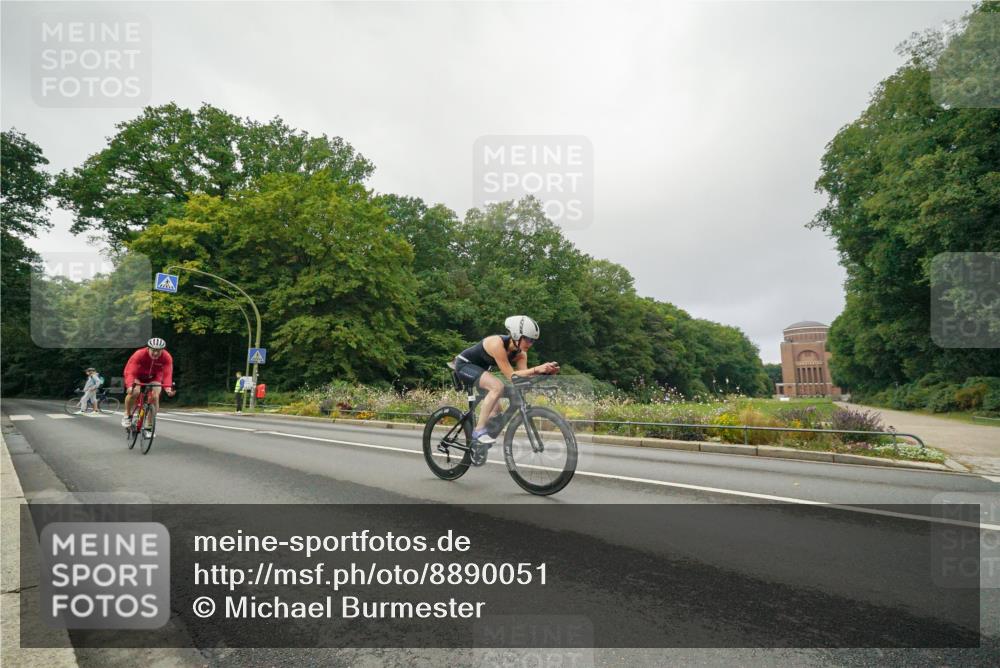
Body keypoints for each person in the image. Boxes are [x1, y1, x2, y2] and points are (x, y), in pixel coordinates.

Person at [454, 315, 559, 445]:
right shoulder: (497, 344)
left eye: (533, 341)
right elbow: (512, 376)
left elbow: (521, 378)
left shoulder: (521, 354)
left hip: (482, 371)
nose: (530, 344)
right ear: (516, 335)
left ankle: (479, 446)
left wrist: (545, 374)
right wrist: (537, 369)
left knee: (497, 411)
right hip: (464, 365)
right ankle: (478, 431)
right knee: (497, 387)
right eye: (528, 339)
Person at [121, 337, 175, 427]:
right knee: (135, 391)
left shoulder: (166, 357)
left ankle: (149, 425)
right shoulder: (139, 354)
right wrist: (130, 386)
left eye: (159, 351)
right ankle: (127, 414)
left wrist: (168, 388)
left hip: (154, 377)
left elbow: (167, 374)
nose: (156, 353)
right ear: (148, 348)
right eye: (153, 350)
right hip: (137, 375)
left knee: (155, 396)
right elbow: (130, 372)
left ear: (163, 350)